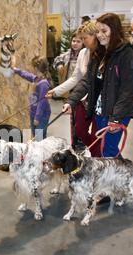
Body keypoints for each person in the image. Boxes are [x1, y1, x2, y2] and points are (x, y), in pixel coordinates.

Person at [63, 13, 133, 158]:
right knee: (104, 149)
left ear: (115, 31)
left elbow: (127, 90)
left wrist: (115, 118)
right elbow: (87, 81)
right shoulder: (99, 52)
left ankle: (124, 177)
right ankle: (118, 175)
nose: (100, 35)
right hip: (100, 111)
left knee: (108, 150)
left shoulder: (127, 53)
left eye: (104, 31)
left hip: (116, 113)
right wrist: (71, 102)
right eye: (98, 31)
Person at [46, 22, 102, 156]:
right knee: (80, 132)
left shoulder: (102, 54)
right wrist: (56, 91)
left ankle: (96, 157)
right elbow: (76, 78)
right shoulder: (83, 53)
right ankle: (90, 152)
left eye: (84, 38)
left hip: (98, 102)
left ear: (94, 36)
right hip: (82, 100)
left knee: (97, 135)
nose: (82, 42)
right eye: (79, 39)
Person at [13, 56, 51, 141]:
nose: (32, 69)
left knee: (39, 138)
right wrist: (17, 71)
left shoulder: (43, 84)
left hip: (41, 116)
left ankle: (42, 153)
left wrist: (37, 118)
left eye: (32, 67)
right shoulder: (37, 79)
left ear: (36, 68)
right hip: (34, 113)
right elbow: (28, 75)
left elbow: (42, 102)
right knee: (36, 136)